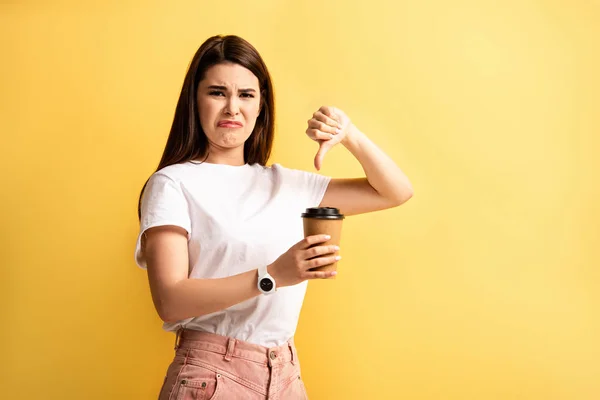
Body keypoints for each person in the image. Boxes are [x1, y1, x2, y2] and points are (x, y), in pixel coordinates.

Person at [134, 34, 413, 400]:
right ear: (194, 101)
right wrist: (273, 276)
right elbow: (169, 301)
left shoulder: (286, 184)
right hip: (211, 375)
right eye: (218, 93)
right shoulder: (173, 183)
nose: (233, 108)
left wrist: (349, 135)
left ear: (261, 106)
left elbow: (395, 191)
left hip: (286, 375)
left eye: (246, 95)